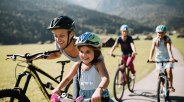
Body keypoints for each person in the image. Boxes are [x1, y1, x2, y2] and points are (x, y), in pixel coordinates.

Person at [52, 32, 111, 102]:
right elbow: (68, 78)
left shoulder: (98, 64)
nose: (84, 55)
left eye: (88, 52)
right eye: (81, 51)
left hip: (100, 97)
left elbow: (105, 78)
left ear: (96, 52)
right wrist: (58, 88)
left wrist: (99, 90)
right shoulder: (78, 64)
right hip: (84, 98)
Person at [148, 25, 176, 92]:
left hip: (167, 58)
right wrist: (150, 58)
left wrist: (171, 57)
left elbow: (169, 49)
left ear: (165, 33)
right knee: (159, 73)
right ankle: (162, 86)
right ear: (156, 33)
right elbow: (152, 49)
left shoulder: (167, 39)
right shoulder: (155, 40)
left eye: (161, 32)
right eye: (158, 32)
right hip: (159, 59)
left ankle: (170, 85)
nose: (160, 34)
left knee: (169, 71)